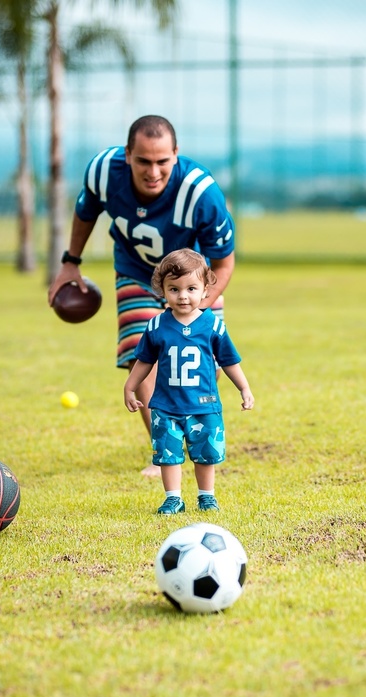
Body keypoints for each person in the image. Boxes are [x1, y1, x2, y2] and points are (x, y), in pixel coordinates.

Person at [49, 114, 236, 478]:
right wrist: (71, 262)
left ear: (176, 155)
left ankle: (197, 440)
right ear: (127, 154)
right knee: (145, 350)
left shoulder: (202, 193)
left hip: (193, 284)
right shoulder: (104, 172)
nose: (153, 171)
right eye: (144, 161)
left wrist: (194, 305)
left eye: (163, 161)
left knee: (197, 368)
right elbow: (85, 212)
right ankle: (164, 452)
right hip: (136, 271)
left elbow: (224, 265)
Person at [124, 249, 253, 514]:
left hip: (204, 405)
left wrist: (244, 387)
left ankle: (207, 496)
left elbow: (228, 360)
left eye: (191, 288)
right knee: (167, 454)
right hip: (165, 406)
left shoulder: (212, 325)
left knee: (206, 453)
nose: (183, 296)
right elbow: (145, 361)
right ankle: (173, 498)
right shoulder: (156, 325)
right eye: (174, 289)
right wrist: (130, 386)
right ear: (162, 290)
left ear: (206, 289)